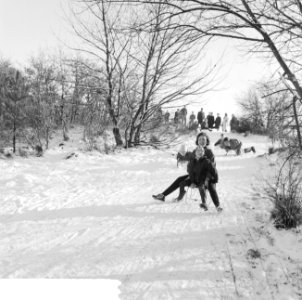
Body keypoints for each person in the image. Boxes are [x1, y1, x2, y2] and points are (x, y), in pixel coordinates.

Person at [152, 132, 222, 211]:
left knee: (210, 184)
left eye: (203, 139)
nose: (202, 141)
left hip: (207, 177)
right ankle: (163, 195)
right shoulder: (194, 151)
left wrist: (206, 179)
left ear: (207, 141)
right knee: (180, 179)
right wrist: (191, 178)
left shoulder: (209, 152)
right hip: (196, 176)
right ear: (197, 141)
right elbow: (190, 164)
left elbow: (212, 168)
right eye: (200, 139)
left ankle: (217, 206)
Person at [177, 146, 218, 211]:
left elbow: (214, 171)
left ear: (203, 153)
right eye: (198, 151)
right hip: (194, 179)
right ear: (195, 153)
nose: (200, 152)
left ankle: (204, 203)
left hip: (203, 180)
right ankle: (180, 195)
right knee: (182, 183)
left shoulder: (206, 161)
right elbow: (190, 172)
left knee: (201, 187)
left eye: (201, 151)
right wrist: (192, 182)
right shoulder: (192, 161)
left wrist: (215, 180)